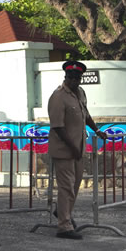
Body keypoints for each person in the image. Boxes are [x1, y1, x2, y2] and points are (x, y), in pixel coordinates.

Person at [47, 60, 106, 240]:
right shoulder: (58, 96)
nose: (73, 80)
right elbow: (57, 126)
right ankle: (64, 227)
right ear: (65, 77)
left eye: (77, 78)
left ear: (80, 79)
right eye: (70, 77)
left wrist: (96, 130)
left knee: (74, 186)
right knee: (66, 187)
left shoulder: (80, 93)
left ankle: (63, 213)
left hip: (78, 148)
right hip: (64, 149)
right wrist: (72, 147)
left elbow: (85, 115)